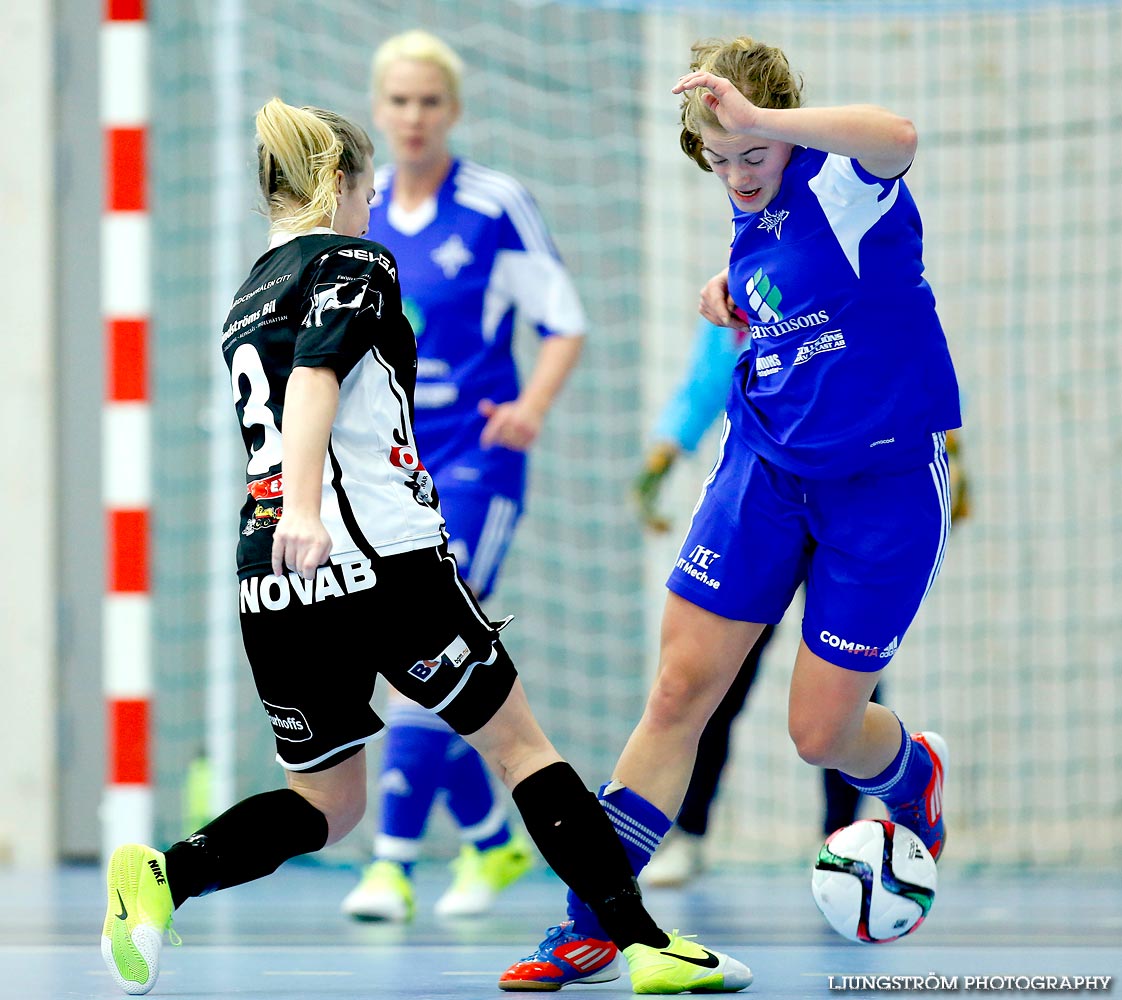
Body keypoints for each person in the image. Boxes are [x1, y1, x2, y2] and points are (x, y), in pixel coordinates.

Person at [100, 97, 751, 997]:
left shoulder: (249, 292)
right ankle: (644, 943)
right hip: (375, 559)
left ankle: (164, 877)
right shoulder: (354, 257)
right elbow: (317, 379)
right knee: (521, 747)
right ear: (339, 184)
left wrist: (289, 520)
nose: (373, 210)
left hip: (272, 584)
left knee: (330, 806)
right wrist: (303, 507)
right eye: (365, 191)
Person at [499, 35, 959, 990]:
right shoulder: (752, 228)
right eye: (720, 160)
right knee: (678, 693)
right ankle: (595, 919)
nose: (740, 174)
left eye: (752, 154)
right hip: (762, 469)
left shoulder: (840, 180)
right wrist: (726, 292)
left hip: (879, 490)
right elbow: (781, 296)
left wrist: (764, 126)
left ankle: (912, 772)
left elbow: (898, 133)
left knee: (819, 734)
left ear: (783, 132)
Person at [338, 29, 585, 923]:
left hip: (478, 460)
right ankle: (490, 841)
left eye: (429, 101)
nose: (412, 117)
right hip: (385, 470)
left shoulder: (492, 204)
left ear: (454, 110)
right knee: (403, 653)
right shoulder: (352, 212)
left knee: (424, 645)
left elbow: (564, 321)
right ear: (378, 109)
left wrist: (533, 408)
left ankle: (392, 865)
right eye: (398, 101)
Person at [635, 319, 969, 887]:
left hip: (855, 504)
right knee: (711, 682)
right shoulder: (751, 283)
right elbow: (707, 377)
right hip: (772, 502)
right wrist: (665, 453)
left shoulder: (854, 276)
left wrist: (955, 458)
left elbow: (908, 358)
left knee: (842, 694)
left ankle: (839, 835)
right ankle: (689, 834)